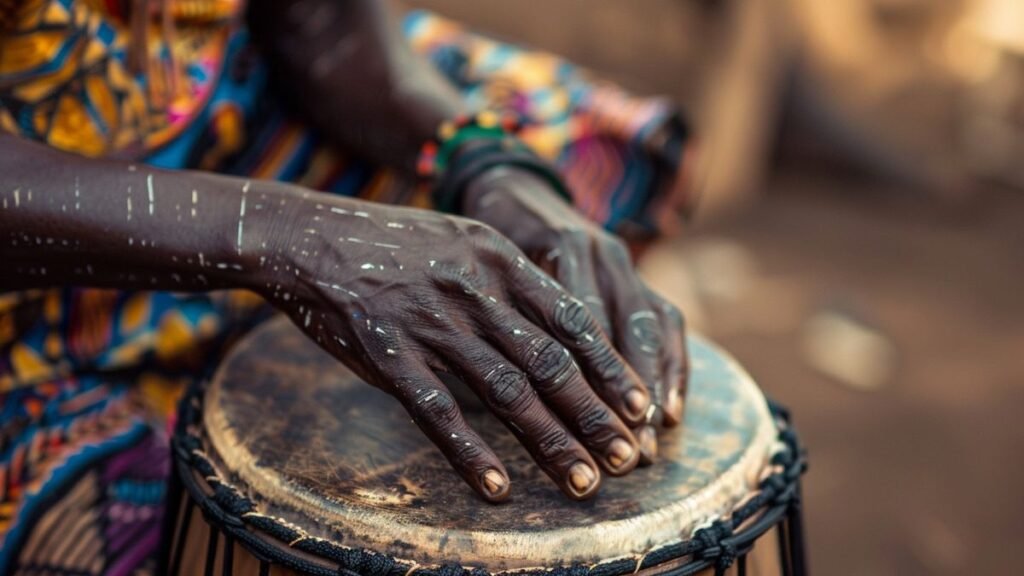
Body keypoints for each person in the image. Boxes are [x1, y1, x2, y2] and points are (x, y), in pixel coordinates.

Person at [0, 0, 695, 572]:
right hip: (36, 252)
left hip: (233, 111)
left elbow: (326, 22)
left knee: (590, 150)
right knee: (132, 530)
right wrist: (288, 236)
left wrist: (484, 160)